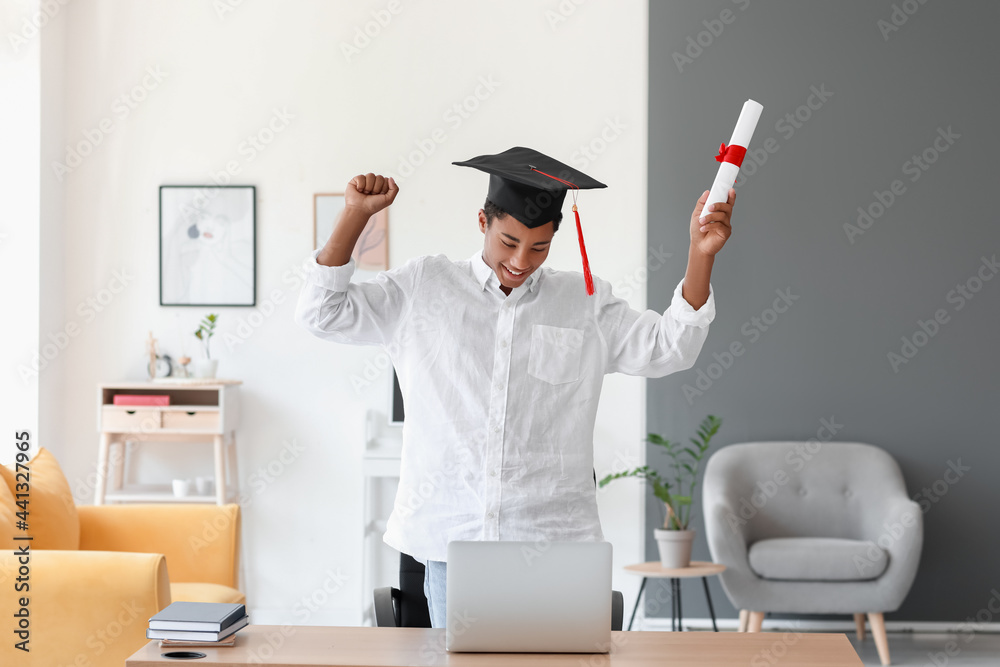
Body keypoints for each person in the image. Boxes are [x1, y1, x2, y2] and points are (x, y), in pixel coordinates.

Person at [294, 147, 735, 629]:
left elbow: (672, 347)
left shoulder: (585, 303)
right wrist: (356, 216)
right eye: (508, 242)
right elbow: (322, 313)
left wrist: (700, 254)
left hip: (555, 544)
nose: (521, 261)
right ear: (482, 220)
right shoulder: (425, 287)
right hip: (450, 542)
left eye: (539, 248)